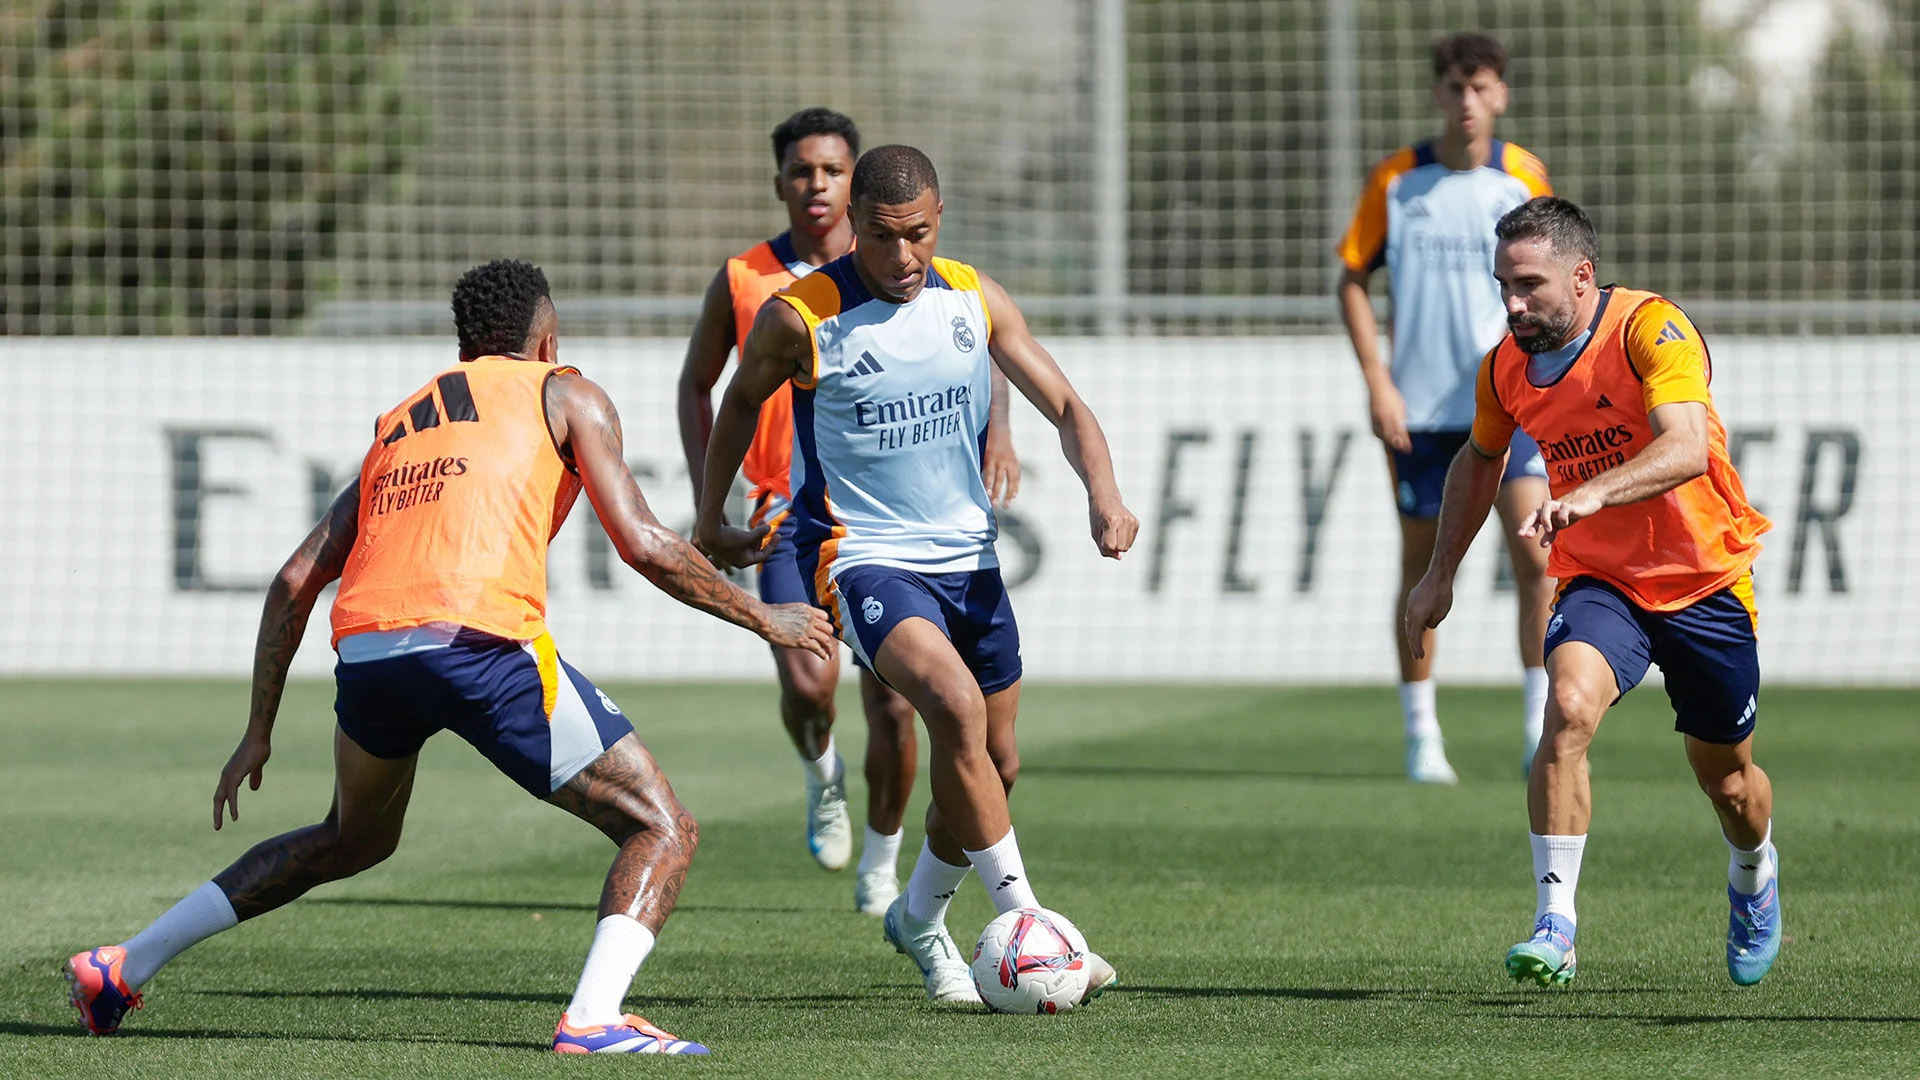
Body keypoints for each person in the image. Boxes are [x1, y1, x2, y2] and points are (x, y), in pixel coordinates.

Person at [65, 260, 835, 1053]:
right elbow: (643, 542)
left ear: (466, 344)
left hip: (370, 655)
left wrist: (259, 729)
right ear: (548, 337)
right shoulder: (566, 391)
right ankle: (594, 1018)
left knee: (352, 837)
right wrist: (764, 617)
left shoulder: (401, 420)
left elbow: (298, 578)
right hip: (478, 643)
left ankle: (121, 964)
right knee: (663, 826)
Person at [695, 145, 1136, 1004]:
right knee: (953, 708)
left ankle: (917, 915)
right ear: (853, 224)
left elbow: (1069, 406)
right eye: (883, 236)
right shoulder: (802, 317)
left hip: (969, 562)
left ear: (941, 219)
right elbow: (738, 400)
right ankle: (1033, 926)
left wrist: (1104, 495)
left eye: (920, 235)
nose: (903, 258)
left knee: (992, 765)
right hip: (862, 556)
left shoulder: (973, 296)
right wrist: (711, 518)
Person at [1404, 197, 1779, 988]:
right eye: (1503, 284)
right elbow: (1479, 461)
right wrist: (1438, 574)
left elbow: (1682, 446)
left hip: (1704, 580)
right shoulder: (1505, 365)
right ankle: (1557, 921)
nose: (1512, 303)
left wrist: (1594, 493)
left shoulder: (1651, 330)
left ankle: (1753, 870)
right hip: (1600, 579)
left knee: (1729, 782)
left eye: (1529, 285)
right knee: (1568, 707)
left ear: (1582, 276)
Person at [677, 108, 1020, 914]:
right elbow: (708, 389)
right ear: (782, 185)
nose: (817, 185)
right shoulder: (753, 282)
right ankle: (820, 770)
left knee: (903, 707)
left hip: (894, 524)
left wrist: (997, 430)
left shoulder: (921, 278)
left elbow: (974, 343)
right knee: (809, 680)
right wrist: (711, 499)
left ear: (858, 182)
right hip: (788, 512)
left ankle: (882, 859)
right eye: (803, 172)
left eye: (832, 170)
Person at [1336, 31, 1556, 782]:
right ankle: (1422, 732)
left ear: (1500, 95)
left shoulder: (1522, 177)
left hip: (1512, 404)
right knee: (1425, 568)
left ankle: (1538, 724)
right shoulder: (1398, 180)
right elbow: (1351, 277)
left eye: (1481, 86)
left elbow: (1554, 285)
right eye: (1455, 87)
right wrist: (1378, 379)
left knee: (1537, 553)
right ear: (1439, 94)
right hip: (1420, 412)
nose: (1467, 101)